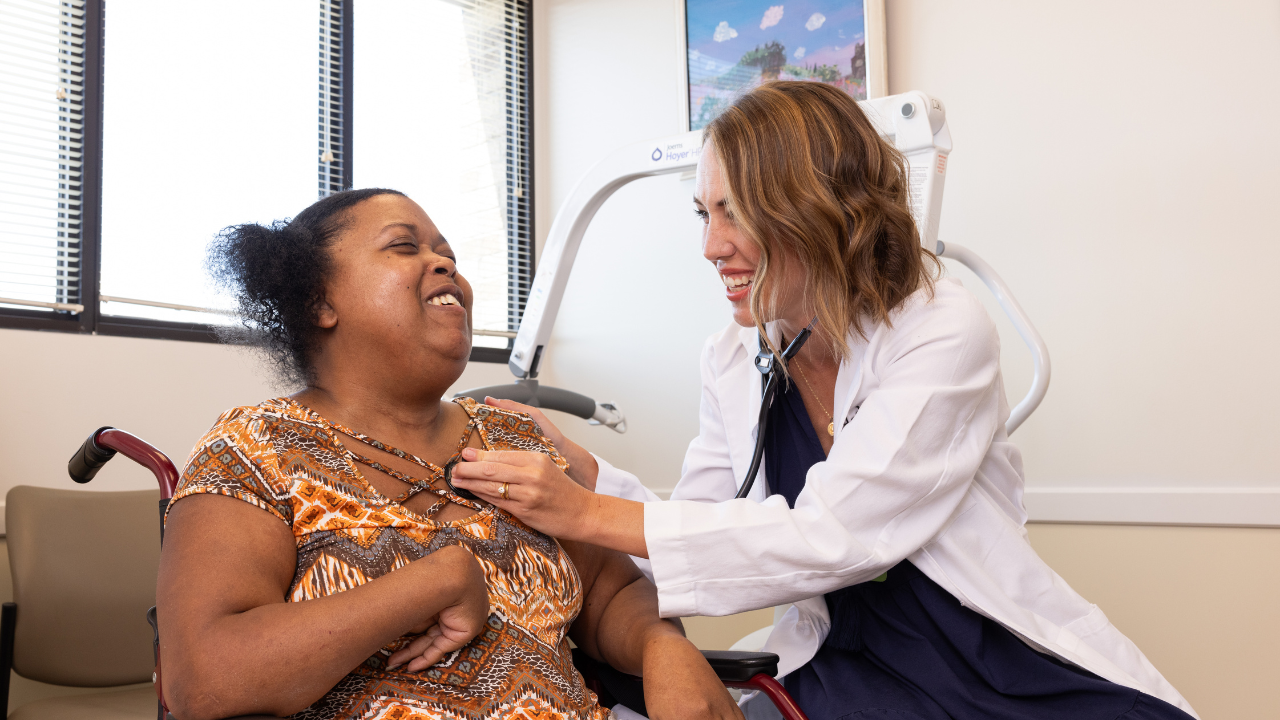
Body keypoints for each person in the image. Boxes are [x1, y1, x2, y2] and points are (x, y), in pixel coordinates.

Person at [450, 82, 1200, 720]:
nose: (712, 247)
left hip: (981, 655)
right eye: (703, 214)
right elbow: (706, 518)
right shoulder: (734, 356)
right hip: (845, 659)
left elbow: (833, 536)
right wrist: (589, 476)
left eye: (736, 211)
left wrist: (586, 513)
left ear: (821, 208)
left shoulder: (940, 328)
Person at [156, 188, 743, 720]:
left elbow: (612, 593)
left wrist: (662, 646)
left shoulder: (514, 439)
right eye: (403, 246)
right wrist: (432, 582)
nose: (445, 266)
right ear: (319, 302)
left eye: (448, 254)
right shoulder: (256, 446)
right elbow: (202, 680)